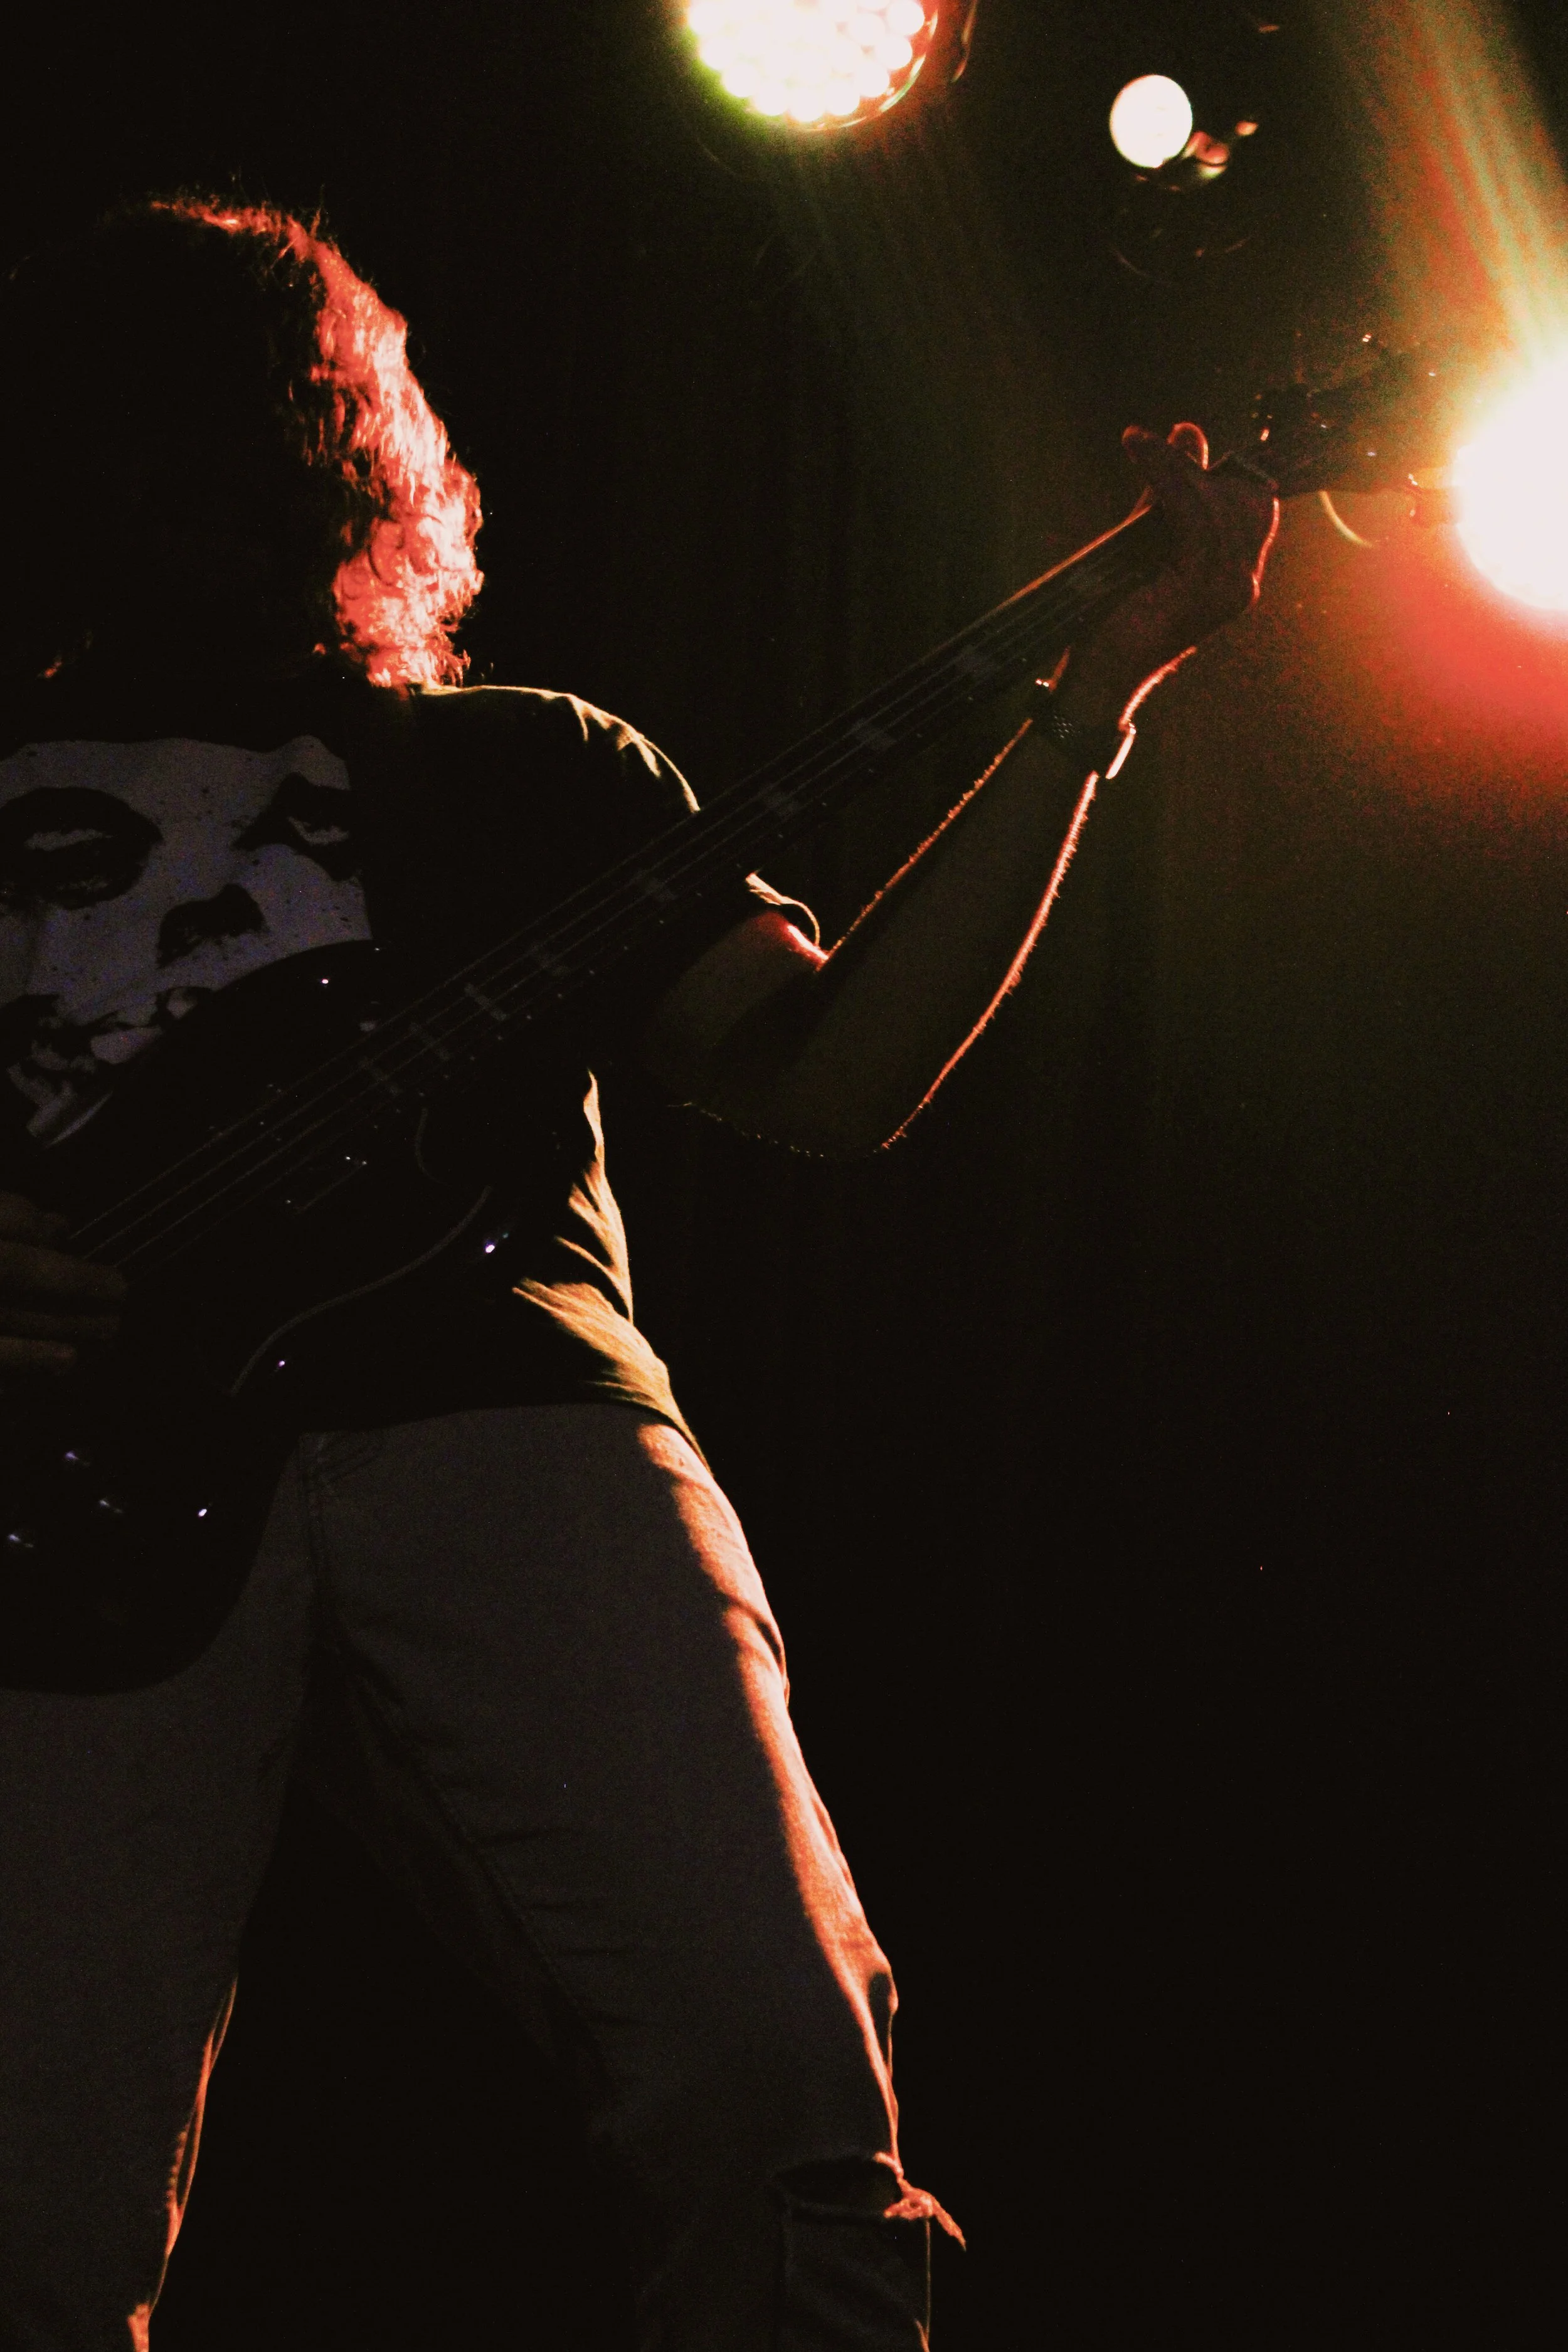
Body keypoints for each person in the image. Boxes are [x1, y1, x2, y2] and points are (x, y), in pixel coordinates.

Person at [0, 199, 1275, 2351]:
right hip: (59, 1482)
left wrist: (1094, 692)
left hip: (504, 1418)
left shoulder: (514, 768)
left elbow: (830, 1070)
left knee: (767, 2066)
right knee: (33, 2193)